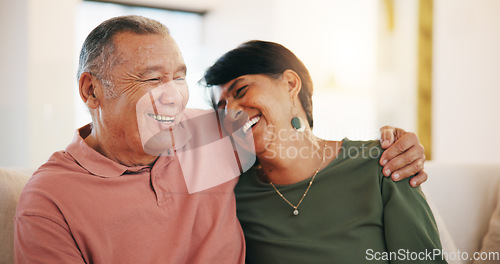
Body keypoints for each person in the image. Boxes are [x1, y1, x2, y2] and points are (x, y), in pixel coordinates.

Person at [14, 16, 427, 263]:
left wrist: (391, 144)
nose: (173, 95)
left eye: (178, 77)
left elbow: (294, 140)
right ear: (91, 91)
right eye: (152, 78)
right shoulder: (51, 200)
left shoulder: (208, 137)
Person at [203, 40, 446, 263]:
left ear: (290, 84)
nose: (230, 112)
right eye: (221, 107)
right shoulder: (231, 193)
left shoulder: (384, 163)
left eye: (241, 91)